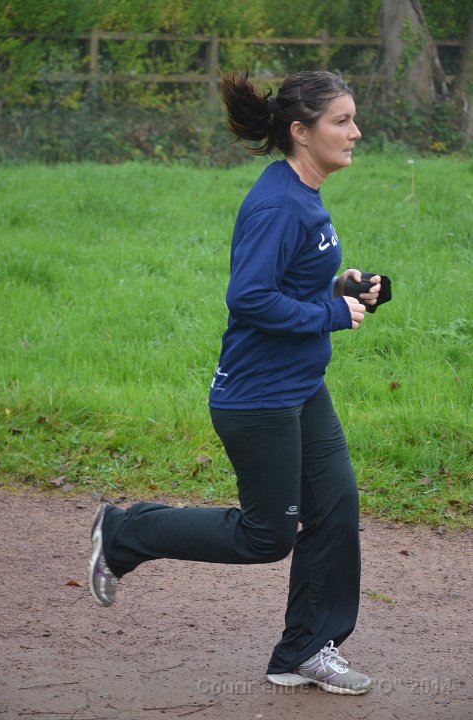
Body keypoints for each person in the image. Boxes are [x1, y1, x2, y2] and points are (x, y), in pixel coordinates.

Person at [89, 68, 383, 696]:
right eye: (342, 121)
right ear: (301, 131)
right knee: (265, 536)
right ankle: (128, 531)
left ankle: (305, 651)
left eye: (353, 119)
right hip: (259, 397)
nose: (355, 132)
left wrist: (343, 287)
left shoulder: (300, 192)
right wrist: (332, 315)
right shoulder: (279, 203)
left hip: (300, 386)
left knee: (335, 512)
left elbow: (287, 281)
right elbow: (249, 298)